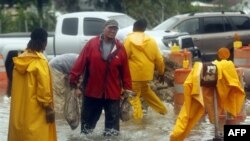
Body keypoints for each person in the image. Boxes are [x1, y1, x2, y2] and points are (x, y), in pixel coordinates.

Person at [69, 19, 132, 136]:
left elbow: (125, 71)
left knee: (112, 131)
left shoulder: (120, 47)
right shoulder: (91, 44)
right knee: (86, 130)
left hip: (112, 94)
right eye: (110, 28)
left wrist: (128, 89)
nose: (113, 31)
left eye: (115, 29)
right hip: (92, 92)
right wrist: (73, 80)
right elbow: (80, 62)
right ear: (104, 28)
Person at [7, 28, 57, 141]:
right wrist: (49, 108)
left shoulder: (19, 60)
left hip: (19, 117)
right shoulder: (40, 62)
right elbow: (44, 92)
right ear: (44, 42)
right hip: (36, 115)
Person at [124, 19, 167, 120]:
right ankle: (163, 111)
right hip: (146, 76)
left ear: (134, 28)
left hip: (133, 76)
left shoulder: (129, 40)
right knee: (146, 93)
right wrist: (161, 73)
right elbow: (159, 59)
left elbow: (123, 57)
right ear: (144, 29)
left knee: (134, 98)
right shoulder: (151, 41)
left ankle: (138, 122)